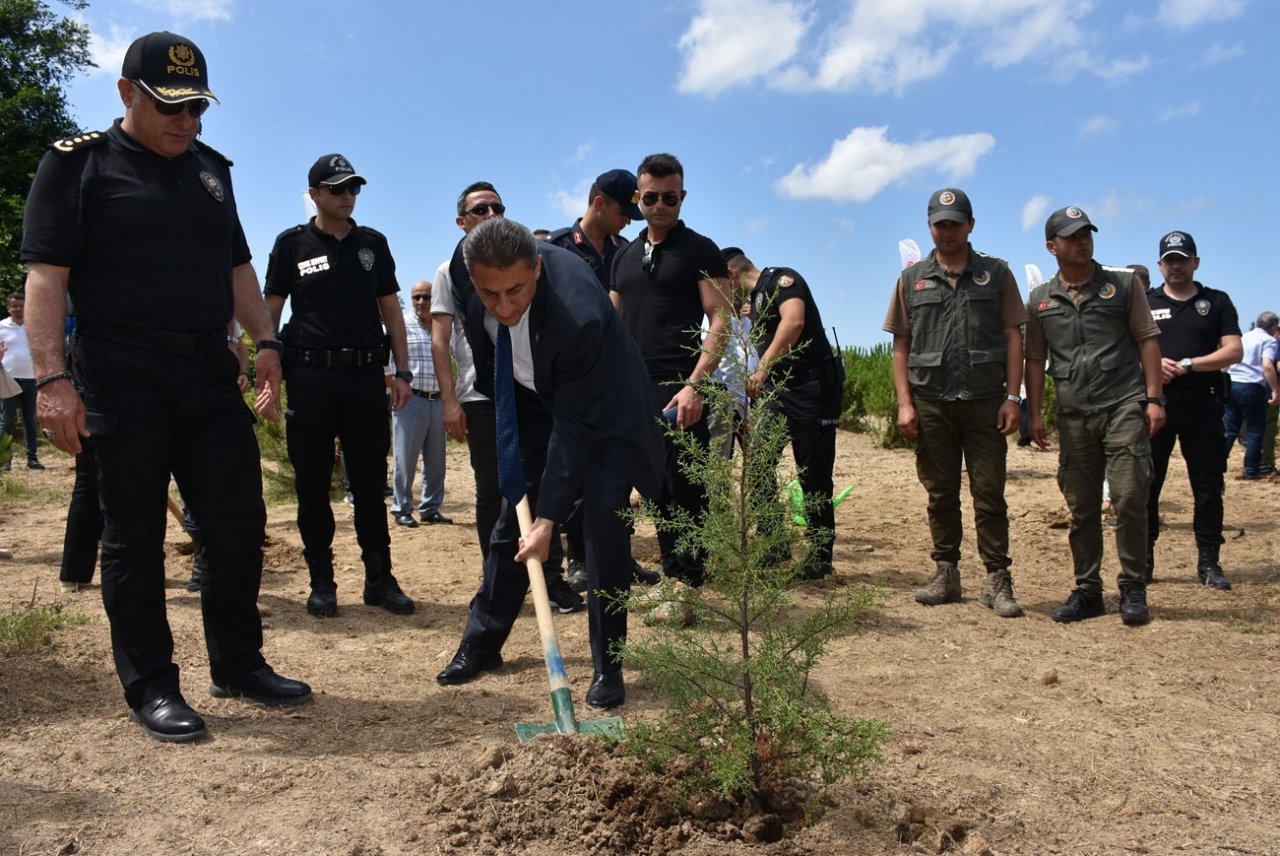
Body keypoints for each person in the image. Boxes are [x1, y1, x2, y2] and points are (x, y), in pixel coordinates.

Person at [21, 31, 310, 742]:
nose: (187, 124)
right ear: (126, 94)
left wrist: (267, 341)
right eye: (169, 108)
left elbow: (240, 268)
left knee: (239, 522)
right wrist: (54, 381)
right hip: (121, 374)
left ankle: (239, 663)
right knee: (134, 533)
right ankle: (151, 684)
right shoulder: (77, 166)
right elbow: (45, 280)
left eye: (197, 111)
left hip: (209, 374)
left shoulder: (212, 171)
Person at [435, 219, 663, 709]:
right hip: (536, 402)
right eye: (489, 294)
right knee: (508, 521)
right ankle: (480, 645)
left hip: (608, 416)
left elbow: (577, 427)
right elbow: (495, 372)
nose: (504, 306)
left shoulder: (575, 313)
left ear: (537, 267)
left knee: (603, 524)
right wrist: (518, 470)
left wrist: (549, 520)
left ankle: (608, 667)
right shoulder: (473, 286)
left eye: (515, 290)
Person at [264, 153, 415, 617]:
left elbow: (391, 311)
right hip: (310, 377)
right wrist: (264, 365)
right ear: (313, 194)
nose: (347, 196)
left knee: (370, 485)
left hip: (364, 378)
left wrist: (403, 371)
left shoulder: (373, 244)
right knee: (312, 487)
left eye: (353, 188)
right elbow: (270, 310)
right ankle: (322, 583)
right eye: (337, 189)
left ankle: (379, 580)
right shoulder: (291, 245)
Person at [432, 182, 584, 613]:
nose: (491, 213)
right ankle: (497, 581)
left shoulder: (526, 262)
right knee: (494, 490)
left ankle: (549, 578)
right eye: (480, 209)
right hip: (481, 395)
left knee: (540, 482)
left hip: (530, 390)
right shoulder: (450, 272)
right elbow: (441, 340)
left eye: (498, 206)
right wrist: (449, 400)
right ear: (462, 221)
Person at [880, 189, 1027, 616]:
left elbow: (1014, 336)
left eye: (955, 223)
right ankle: (946, 572)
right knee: (940, 492)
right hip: (931, 403)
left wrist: (1013, 397)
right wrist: (904, 404)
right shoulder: (912, 279)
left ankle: (998, 580)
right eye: (939, 223)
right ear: (930, 227)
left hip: (985, 402)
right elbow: (901, 345)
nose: (947, 231)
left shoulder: (996, 274)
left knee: (990, 494)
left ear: (970, 225)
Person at [1025, 206, 1164, 626]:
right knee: (1082, 506)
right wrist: (1034, 413)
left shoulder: (1122, 285)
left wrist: (1154, 398)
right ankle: (1088, 590)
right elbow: (1035, 359)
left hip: (1122, 404)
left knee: (1128, 497)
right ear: (1052, 246)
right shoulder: (1040, 299)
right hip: (1072, 413)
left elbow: (1147, 340)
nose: (1082, 241)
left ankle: (1133, 588)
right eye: (1071, 236)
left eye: (1086, 233)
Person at [610, 153, 734, 590]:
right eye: (651, 197)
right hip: (630, 390)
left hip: (681, 388)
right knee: (651, 487)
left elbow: (721, 319)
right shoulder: (623, 256)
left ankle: (687, 583)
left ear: (682, 197)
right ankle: (669, 575)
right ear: (637, 198)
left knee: (685, 487)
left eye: (670, 198)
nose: (661, 205)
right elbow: (611, 324)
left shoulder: (701, 250)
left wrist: (694, 386)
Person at [545, 168, 659, 592]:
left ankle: (617, 556)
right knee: (574, 466)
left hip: (615, 378)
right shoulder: (556, 249)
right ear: (598, 204)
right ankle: (579, 558)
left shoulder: (627, 253)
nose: (629, 220)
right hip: (571, 379)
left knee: (617, 469)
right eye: (622, 211)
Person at [723, 247, 845, 580]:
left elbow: (794, 322)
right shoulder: (756, 300)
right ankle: (774, 541)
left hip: (810, 387)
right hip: (777, 391)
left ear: (732, 274)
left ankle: (820, 554)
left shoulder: (782, 281)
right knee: (758, 462)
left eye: (723, 284)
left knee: (813, 472)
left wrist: (762, 368)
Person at [1144, 231, 1242, 590]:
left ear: (1195, 263)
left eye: (1182, 259)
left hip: (1204, 404)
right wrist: (1152, 368)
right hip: (1157, 405)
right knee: (1147, 485)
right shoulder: (1144, 300)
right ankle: (1144, 559)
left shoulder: (1216, 302)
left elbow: (1233, 351)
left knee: (1207, 486)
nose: (1175, 266)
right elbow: (1128, 349)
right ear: (1160, 264)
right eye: (1169, 260)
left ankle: (1209, 561)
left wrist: (1188, 363)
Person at [390, 280, 452, 528]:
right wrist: (394, 382)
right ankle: (401, 509)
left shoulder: (443, 327)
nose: (421, 302)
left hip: (438, 401)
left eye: (426, 297)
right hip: (410, 400)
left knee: (437, 462)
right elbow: (386, 363)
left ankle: (430, 508)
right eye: (416, 297)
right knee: (405, 460)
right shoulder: (401, 327)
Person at [1224, 311, 1280, 481]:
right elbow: (1267, 366)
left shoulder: (1243, 337)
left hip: (1232, 383)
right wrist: (1275, 390)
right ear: (1272, 326)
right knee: (1255, 430)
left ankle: (1217, 462)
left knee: (1230, 429)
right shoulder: (1269, 340)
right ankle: (1251, 469)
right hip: (1251, 386)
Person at [0, 293, 43, 469]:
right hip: (8, 379)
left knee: (30, 420)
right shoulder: (1, 327)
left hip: (31, 379)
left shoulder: (34, 326)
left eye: (21, 305)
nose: (18, 309)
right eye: (14, 306)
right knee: (6, 420)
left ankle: (32, 458)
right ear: (8, 308)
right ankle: (4, 460)